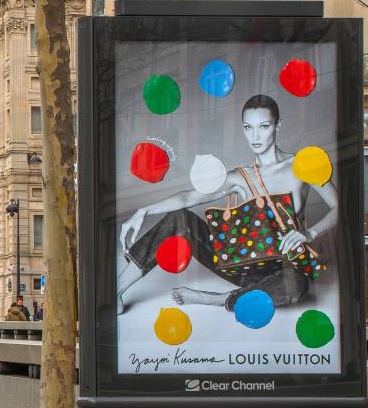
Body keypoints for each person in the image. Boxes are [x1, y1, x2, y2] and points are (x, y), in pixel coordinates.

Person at [116, 95, 339, 313]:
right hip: (243, 265)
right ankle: (116, 291)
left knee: (296, 286)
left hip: (287, 267)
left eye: (263, 126)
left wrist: (310, 233)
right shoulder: (239, 177)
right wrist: (143, 210)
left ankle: (217, 299)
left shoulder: (303, 164)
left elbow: (339, 207)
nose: (255, 136)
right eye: (248, 127)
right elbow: (189, 197)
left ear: (278, 125)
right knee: (180, 219)